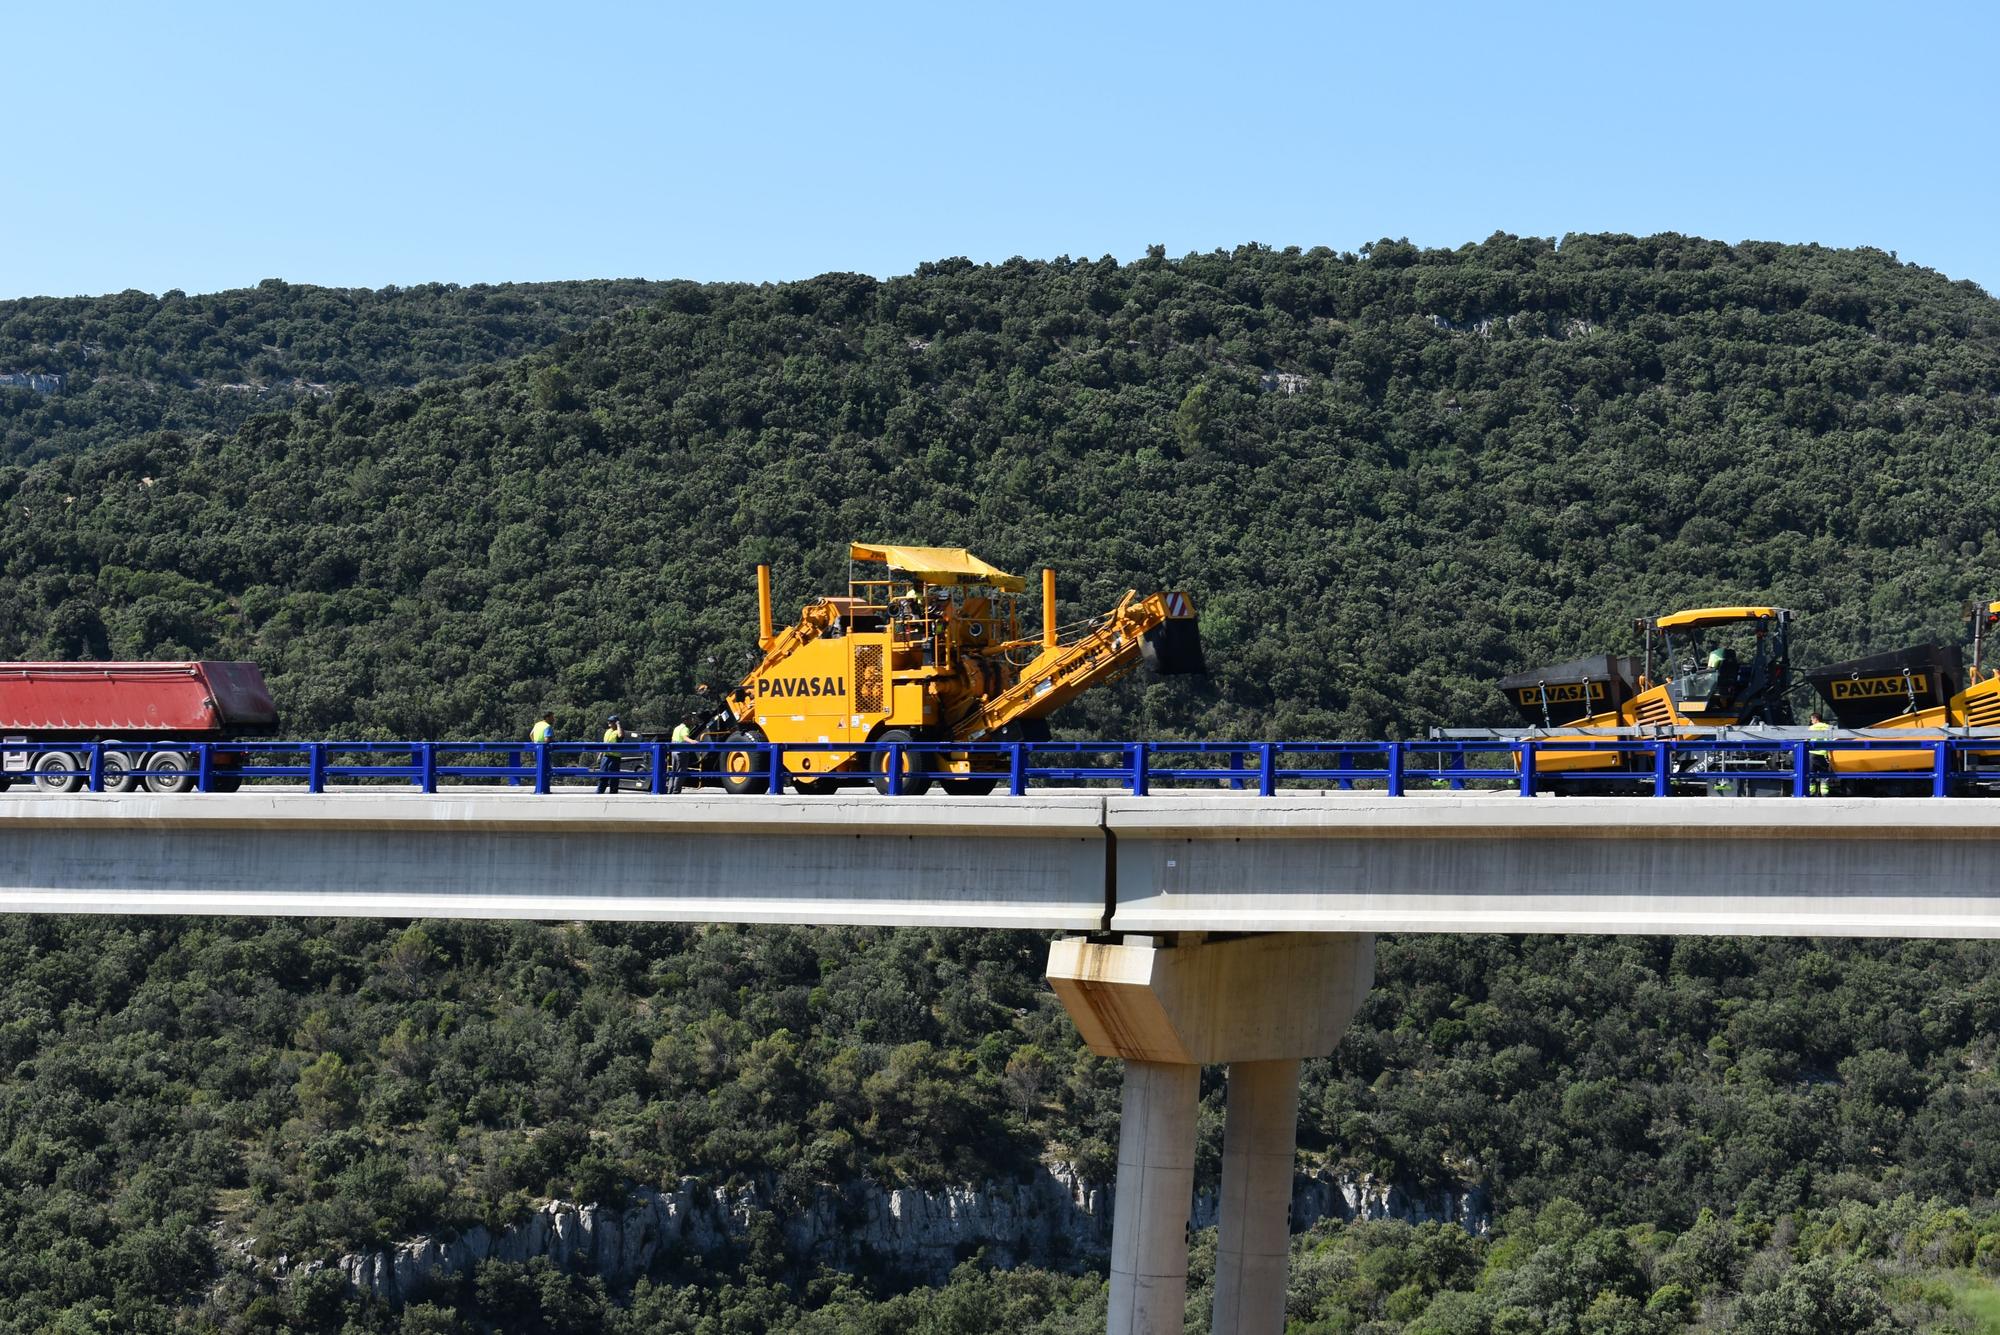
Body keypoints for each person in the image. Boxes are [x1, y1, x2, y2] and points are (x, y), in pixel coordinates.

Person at [666, 711, 700, 794]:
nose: (691, 721)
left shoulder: (677, 728)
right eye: (690, 719)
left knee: (673, 771)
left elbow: (672, 740)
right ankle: (676, 790)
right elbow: (685, 738)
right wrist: (694, 742)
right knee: (681, 771)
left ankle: (670, 789)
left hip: (674, 752)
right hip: (681, 752)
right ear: (686, 721)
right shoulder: (685, 729)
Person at [596, 715, 628, 794]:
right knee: (603, 775)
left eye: (611, 721)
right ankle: (599, 792)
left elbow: (621, 736)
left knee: (614, 777)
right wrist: (600, 754)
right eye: (608, 721)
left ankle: (613, 792)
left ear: (616, 722)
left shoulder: (619, 731)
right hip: (606, 757)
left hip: (615, 758)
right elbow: (604, 743)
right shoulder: (608, 731)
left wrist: (618, 725)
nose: (609, 723)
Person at [1809, 711, 1834, 796]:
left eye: (1812, 719)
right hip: (1823, 754)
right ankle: (1824, 793)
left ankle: (1811, 792)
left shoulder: (1811, 728)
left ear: (1815, 719)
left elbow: (1807, 740)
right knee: (1824, 774)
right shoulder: (1828, 727)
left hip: (1812, 754)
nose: (1811, 721)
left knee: (1811, 774)